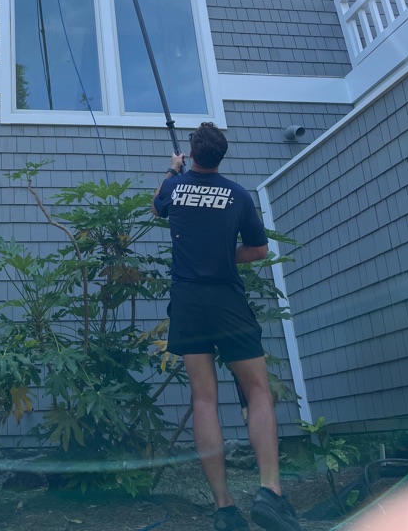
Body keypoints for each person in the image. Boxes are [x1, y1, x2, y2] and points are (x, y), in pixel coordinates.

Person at [152, 122, 302, 531]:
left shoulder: (175, 186)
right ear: (222, 156)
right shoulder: (237, 194)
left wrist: (172, 170)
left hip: (188, 302)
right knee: (257, 391)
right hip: (228, 300)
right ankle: (270, 492)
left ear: (192, 152)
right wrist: (223, 255)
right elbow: (256, 249)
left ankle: (223, 508)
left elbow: (156, 207)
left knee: (204, 401)